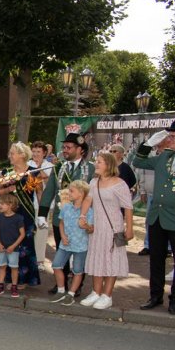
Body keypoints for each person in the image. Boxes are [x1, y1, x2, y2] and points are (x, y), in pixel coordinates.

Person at [39, 133, 95, 294]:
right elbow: (50, 190)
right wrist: (42, 214)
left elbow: (93, 196)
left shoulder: (90, 169)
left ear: (80, 150)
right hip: (60, 218)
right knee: (61, 251)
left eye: (69, 147)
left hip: (81, 219)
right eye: (64, 147)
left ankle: (77, 286)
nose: (65, 150)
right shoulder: (58, 167)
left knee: (79, 253)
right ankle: (60, 283)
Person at [78, 152, 134, 310]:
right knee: (97, 258)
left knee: (111, 260)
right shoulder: (94, 182)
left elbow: (128, 207)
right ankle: (96, 292)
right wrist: (82, 216)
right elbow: (88, 199)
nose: (96, 164)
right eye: (96, 161)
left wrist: (129, 229)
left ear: (108, 165)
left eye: (99, 162)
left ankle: (107, 295)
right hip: (97, 227)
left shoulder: (120, 184)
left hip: (113, 227)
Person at [132, 123, 175, 313]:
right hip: (157, 217)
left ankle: (174, 300)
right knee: (156, 259)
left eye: (173, 137)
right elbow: (138, 162)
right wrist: (149, 143)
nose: (168, 139)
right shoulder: (163, 156)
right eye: (169, 136)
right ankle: (155, 296)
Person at [0, 142, 42, 287]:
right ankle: (11, 278)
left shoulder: (33, 172)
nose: (10, 156)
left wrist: (42, 213)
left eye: (13, 153)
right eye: (10, 153)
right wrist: (8, 188)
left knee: (25, 245)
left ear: (22, 155)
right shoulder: (7, 171)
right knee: (9, 242)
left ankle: (25, 278)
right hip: (10, 212)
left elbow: (38, 192)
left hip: (26, 212)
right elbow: (0, 192)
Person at [50, 181, 93, 306]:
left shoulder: (89, 211)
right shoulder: (66, 207)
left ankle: (71, 293)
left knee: (78, 270)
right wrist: (62, 236)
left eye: (72, 191)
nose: (68, 193)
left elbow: (91, 229)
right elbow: (61, 223)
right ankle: (61, 290)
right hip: (66, 244)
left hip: (80, 245)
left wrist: (87, 227)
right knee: (57, 265)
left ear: (81, 194)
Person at [0, 194, 25, 298]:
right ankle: (0, 285)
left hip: (13, 248)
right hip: (2, 247)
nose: (0, 205)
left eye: (2, 204)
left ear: (10, 205)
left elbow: (22, 234)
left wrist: (13, 246)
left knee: (14, 267)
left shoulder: (18, 218)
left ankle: (14, 286)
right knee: (2, 266)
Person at [31, 141, 54, 265]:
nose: (35, 154)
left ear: (44, 153)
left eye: (38, 152)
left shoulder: (49, 166)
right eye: (34, 151)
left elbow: (48, 180)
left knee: (41, 232)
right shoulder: (27, 164)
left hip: (43, 205)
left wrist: (39, 168)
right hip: (30, 203)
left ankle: (39, 260)